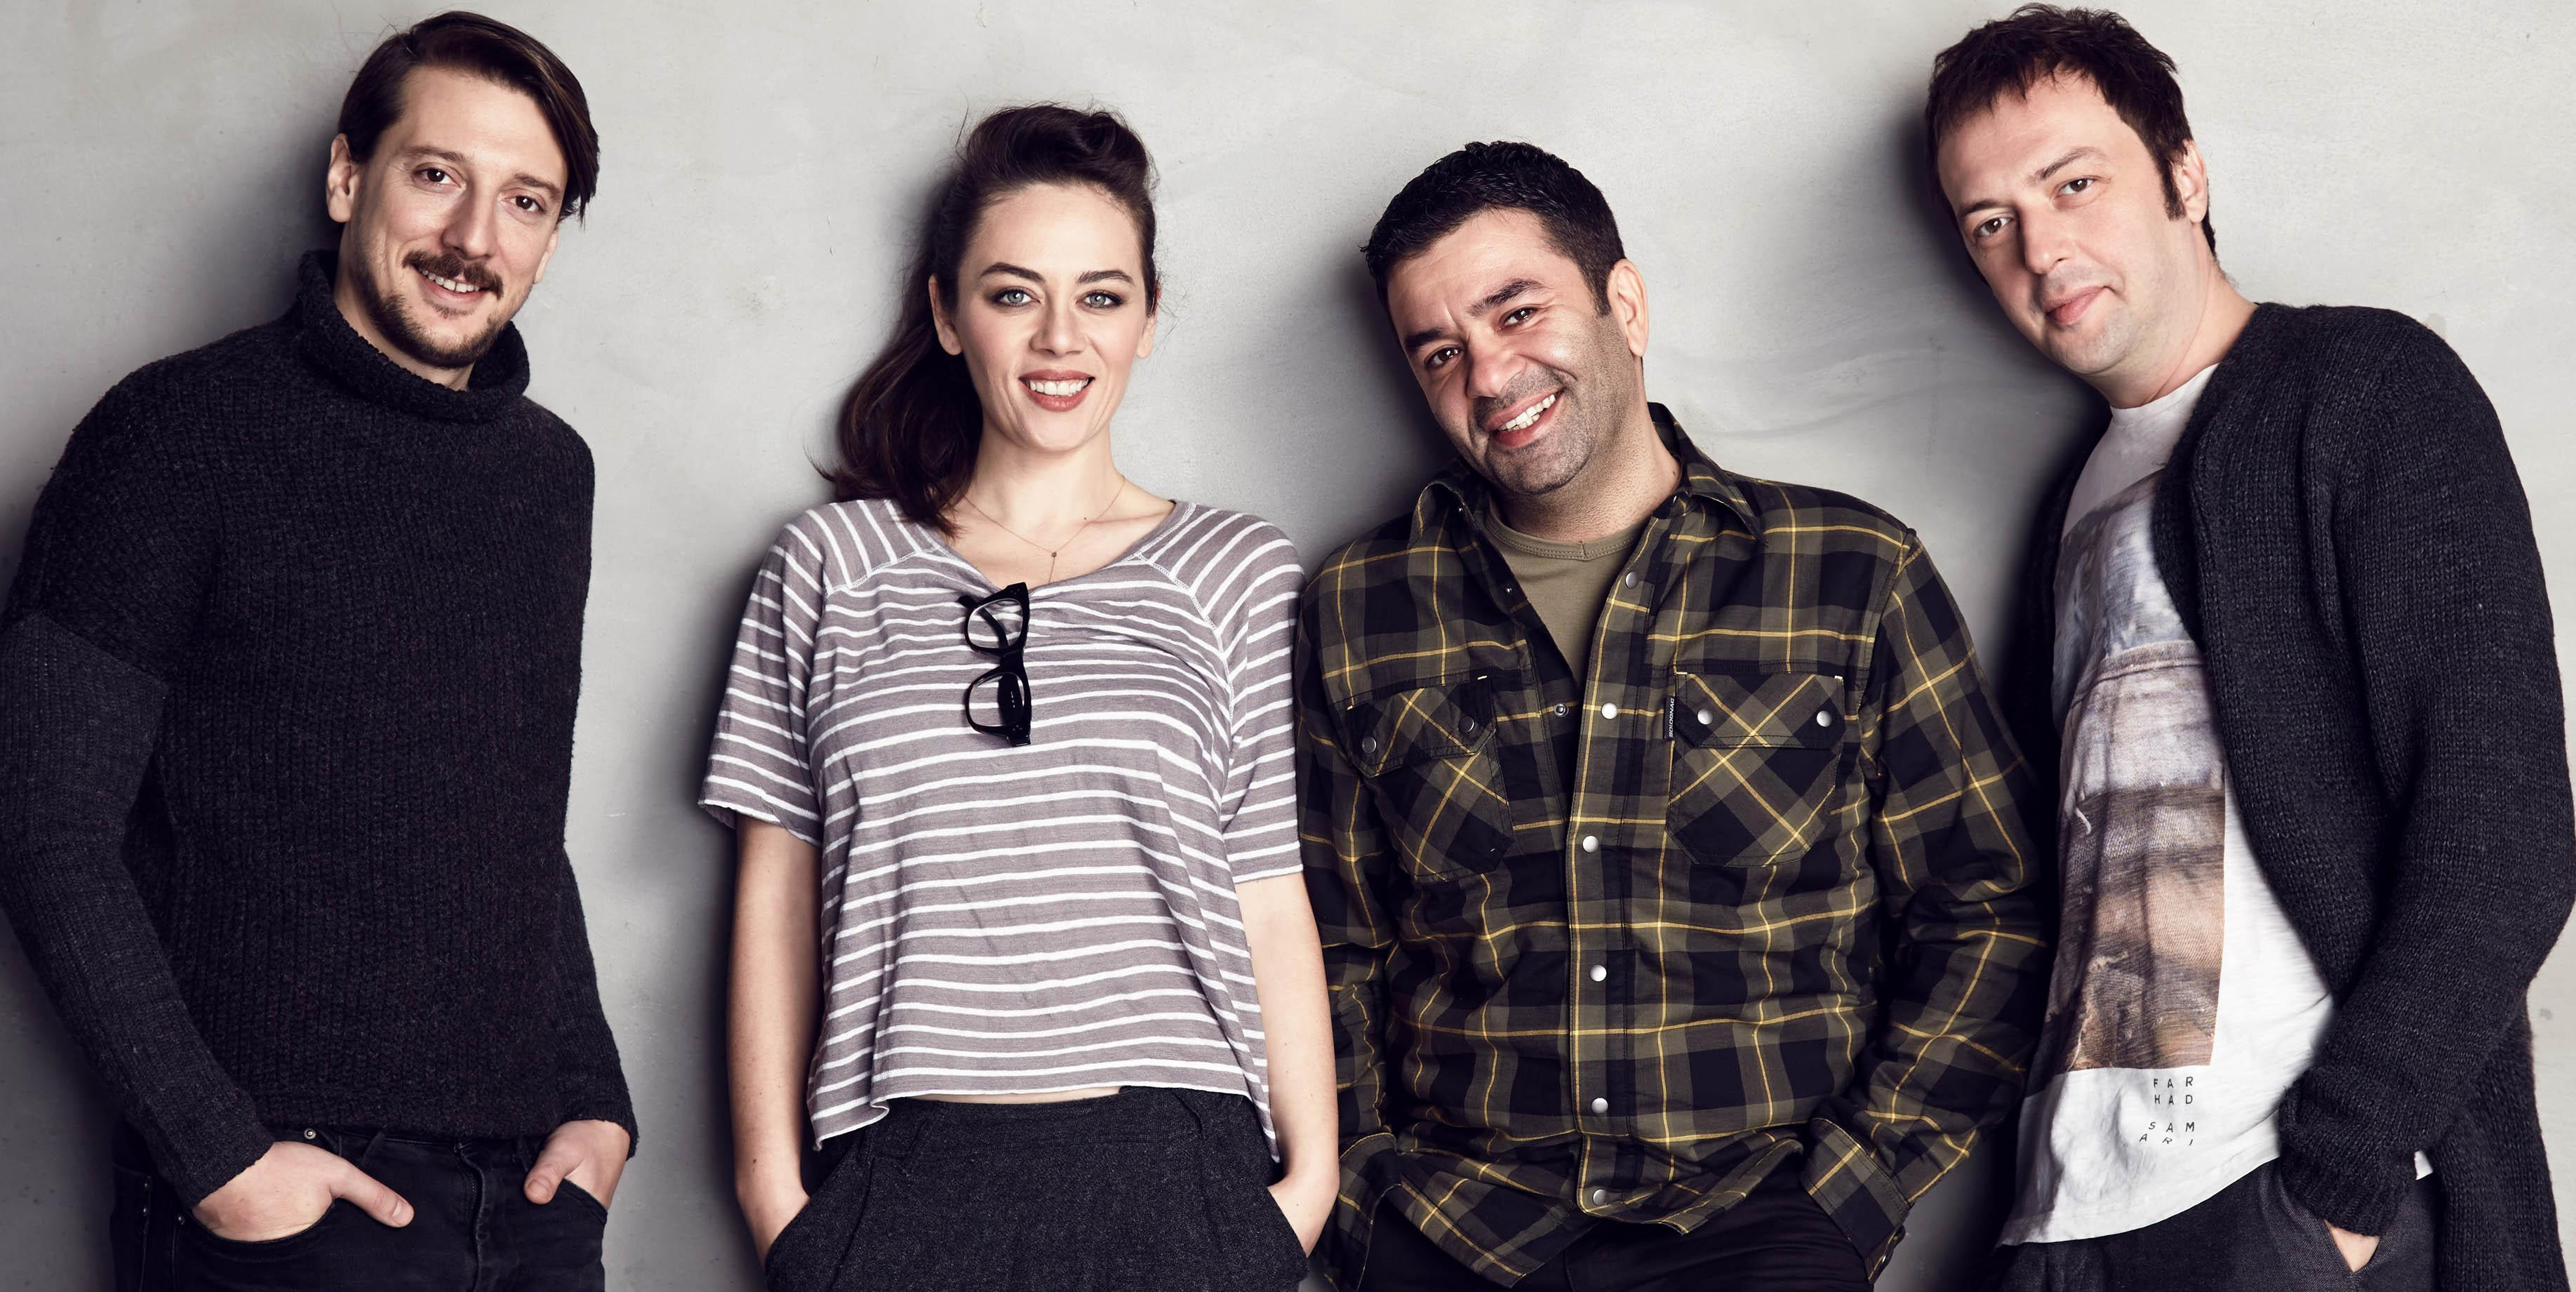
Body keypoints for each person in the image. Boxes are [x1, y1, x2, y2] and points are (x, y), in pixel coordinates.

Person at [1300, 140, 2050, 1292]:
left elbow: (1988, 900)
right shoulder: (1360, 606)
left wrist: (1849, 1195)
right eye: (1440, 350)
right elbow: (1326, 944)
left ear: (1625, 304)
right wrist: (1364, 1204)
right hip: (1456, 1234)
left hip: (1756, 1224)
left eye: (1517, 312)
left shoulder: (1849, 572)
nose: (1489, 375)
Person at [1924, 8, 2573, 1291]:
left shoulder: (2363, 386)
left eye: (2074, 183)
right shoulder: (2075, 500)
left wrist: (2342, 1175)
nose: (2041, 247)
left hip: (2281, 1201)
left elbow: (2505, 825)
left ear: (2186, 173)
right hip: (2068, 1210)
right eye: (1991, 221)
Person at [0, 12, 633, 1290]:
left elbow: (511, 825)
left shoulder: (548, 475)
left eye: (525, 201)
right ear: (349, 177)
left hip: (528, 1204)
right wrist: (217, 1155)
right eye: (437, 174)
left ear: (551, 238)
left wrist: (595, 1097)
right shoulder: (174, 433)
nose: (474, 237)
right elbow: (39, 810)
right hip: (282, 1196)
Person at [701, 103, 1331, 1292]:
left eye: (1102, 295)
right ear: (947, 313)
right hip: (898, 1171)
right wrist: (774, 1197)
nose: (1060, 338)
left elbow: (1264, 888)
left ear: (1148, 319)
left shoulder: (1237, 570)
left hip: (1177, 1168)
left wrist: (1305, 1190)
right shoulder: (828, 566)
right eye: (1013, 294)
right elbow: (776, 893)